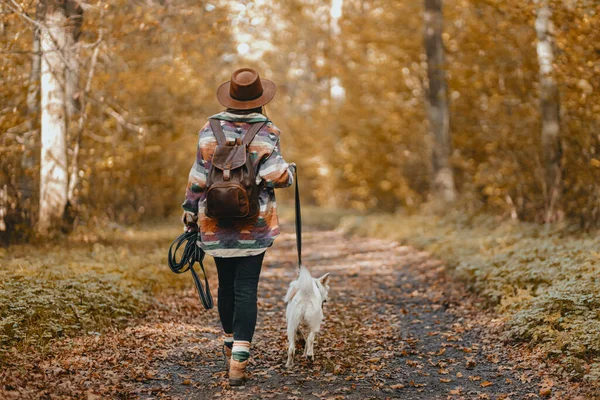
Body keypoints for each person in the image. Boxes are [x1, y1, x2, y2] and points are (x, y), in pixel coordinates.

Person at [181, 67, 295, 386]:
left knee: (226, 285)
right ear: (259, 99)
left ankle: (231, 345)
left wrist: (190, 214)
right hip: (254, 226)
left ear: (230, 96)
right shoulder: (268, 131)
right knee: (247, 287)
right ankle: (239, 363)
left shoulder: (209, 128)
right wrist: (290, 173)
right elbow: (276, 176)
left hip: (215, 225)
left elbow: (198, 179)